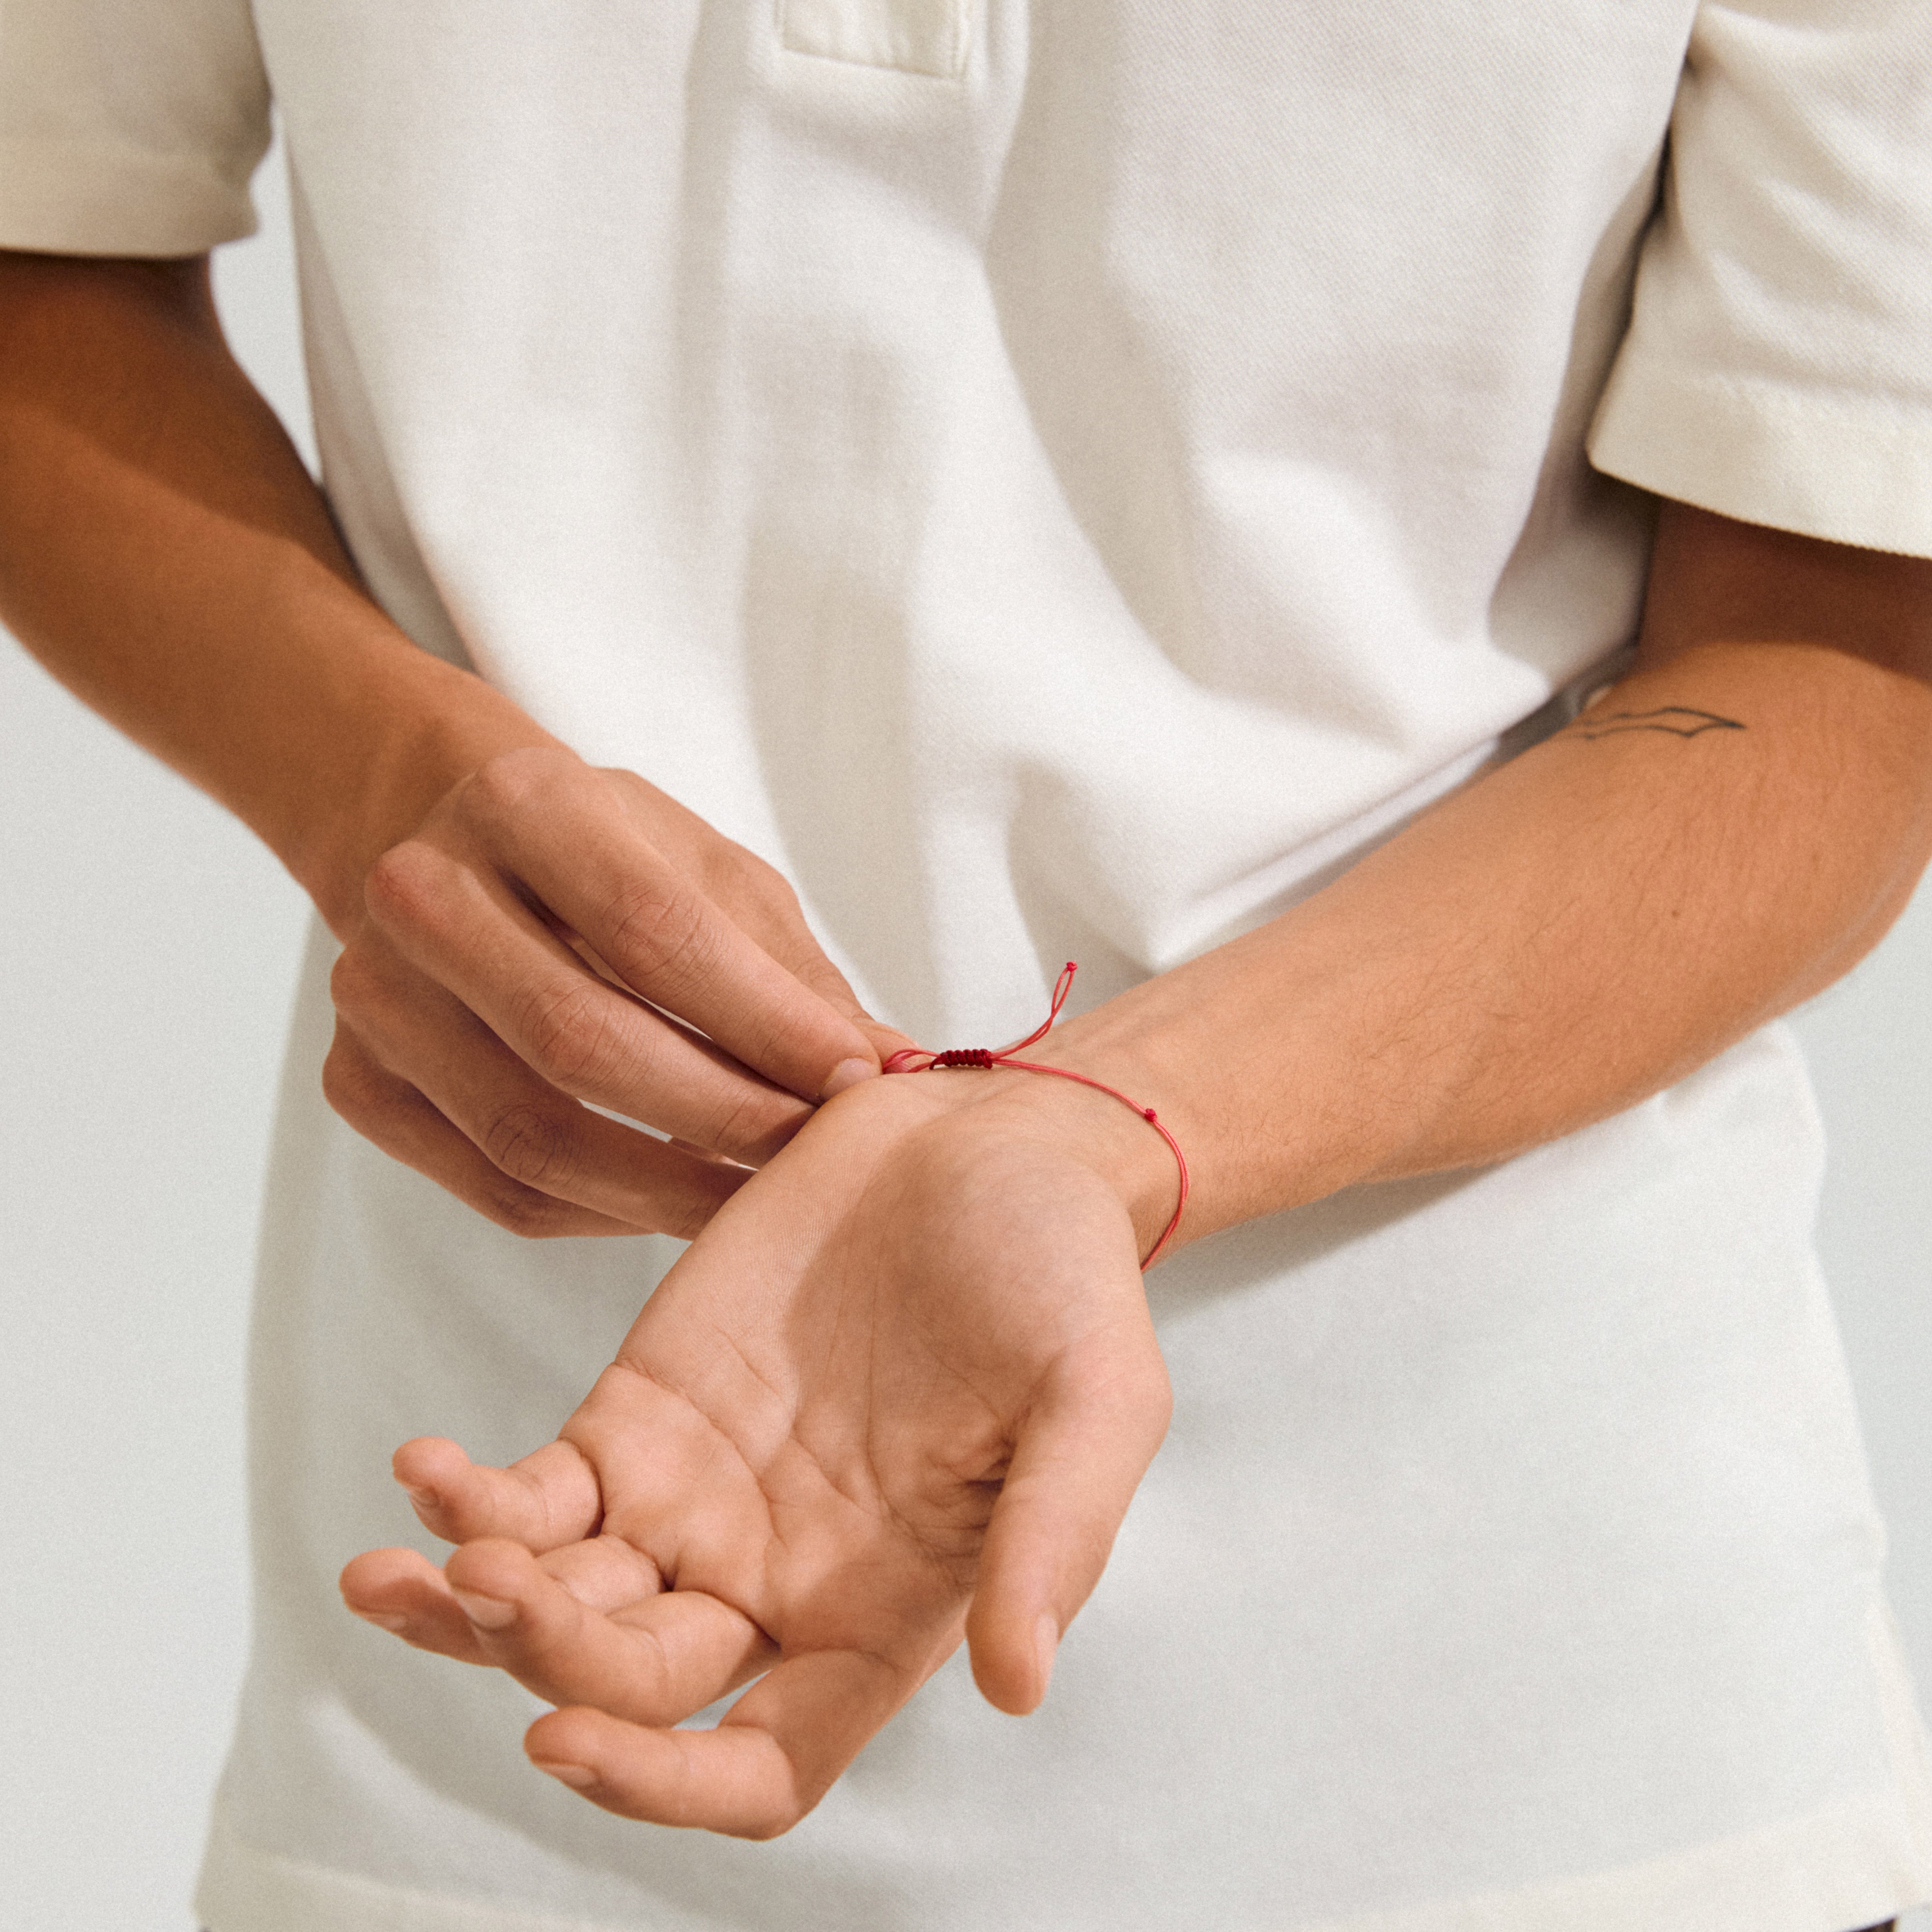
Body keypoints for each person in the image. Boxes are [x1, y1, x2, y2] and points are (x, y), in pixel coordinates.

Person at [2, 1, 1929, 1928]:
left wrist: (1114, 1124)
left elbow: (1842, 656)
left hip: (1553, 1762)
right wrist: (370, 780)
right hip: (495, 1690)